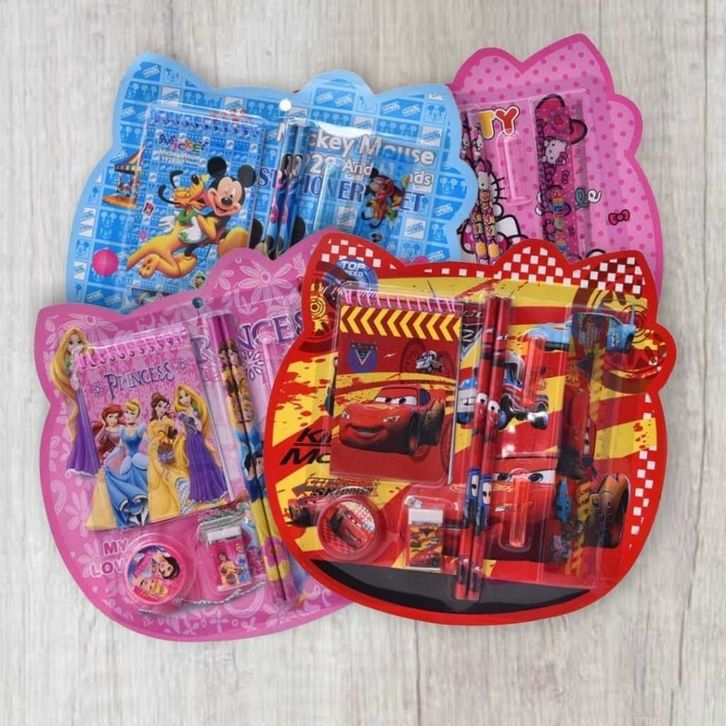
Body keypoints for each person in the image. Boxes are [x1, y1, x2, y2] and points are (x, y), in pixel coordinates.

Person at [49, 327, 99, 475]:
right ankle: (84, 462)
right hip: (81, 395)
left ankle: (90, 461)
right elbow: (74, 382)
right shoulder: (70, 362)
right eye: (71, 343)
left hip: (89, 394)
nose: (75, 346)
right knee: (83, 426)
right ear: (66, 345)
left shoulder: (86, 358)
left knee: (88, 426)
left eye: (79, 342)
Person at [174, 384, 228, 504]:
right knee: (196, 466)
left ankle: (214, 489)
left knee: (207, 461)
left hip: (199, 439)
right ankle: (201, 493)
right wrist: (183, 431)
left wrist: (193, 417)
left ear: (190, 395)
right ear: (179, 400)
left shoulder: (195, 411)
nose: (185, 399)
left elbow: (199, 427)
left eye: (186, 395)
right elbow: (178, 427)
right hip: (191, 441)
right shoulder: (181, 415)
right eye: (181, 397)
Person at [147, 393, 184, 521]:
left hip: (168, 448)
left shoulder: (168, 421)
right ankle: (165, 509)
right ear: (154, 408)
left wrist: (171, 429)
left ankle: (179, 502)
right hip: (156, 449)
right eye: (159, 406)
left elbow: (176, 432)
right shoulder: (152, 424)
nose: (162, 409)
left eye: (164, 406)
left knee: (171, 472)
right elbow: (151, 438)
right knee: (160, 476)